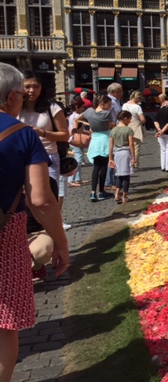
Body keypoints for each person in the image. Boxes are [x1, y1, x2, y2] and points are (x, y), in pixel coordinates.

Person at [0, 63, 69, 382]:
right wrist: (61, 242)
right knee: (4, 327)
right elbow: (40, 200)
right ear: (13, 96)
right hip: (6, 236)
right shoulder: (22, 135)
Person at [18, 71, 70, 227]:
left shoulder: (51, 107)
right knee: (25, 202)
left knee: (47, 201)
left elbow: (64, 135)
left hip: (47, 158)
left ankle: (52, 235)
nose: (31, 90)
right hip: (21, 159)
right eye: (27, 87)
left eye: (36, 86)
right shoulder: (14, 107)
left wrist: (43, 133)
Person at [76, 94, 115, 201]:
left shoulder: (89, 111)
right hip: (105, 139)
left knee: (96, 168)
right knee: (103, 167)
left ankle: (93, 192)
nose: (110, 107)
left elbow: (77, 119)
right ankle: (101, 191)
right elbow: (111, 126)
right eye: (109, 105)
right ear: (103, 104)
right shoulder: (107, 114)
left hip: (95, 140)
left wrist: (82, 126)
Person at [108, 111, 135, 203]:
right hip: (126, 152)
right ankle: (124, 196)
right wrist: (133, 157)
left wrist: (110, 158)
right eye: (130, 119)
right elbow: (131, 144)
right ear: (125, 118)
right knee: (126, 176)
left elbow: (111, 145)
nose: (130, 121)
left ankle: (116, 194)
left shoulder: (113, 130)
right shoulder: (128, 130)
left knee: (119, 175)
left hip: (117, 154)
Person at [121, 91, 146, 168]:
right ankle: (135, 163)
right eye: (140, 98)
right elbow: (143, 119)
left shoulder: (124, 105)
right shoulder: (137, 107)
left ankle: (127, 162)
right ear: (137, 98)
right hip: (136, 127)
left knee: (127, 145)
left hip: (126, 126)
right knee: (136, 146)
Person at [105, 83, 123, 189]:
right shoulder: (110, 101)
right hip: (113, 130)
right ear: (113, 92)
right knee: (112, 155)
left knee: (116, 155)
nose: (121, 93)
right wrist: (111, 125)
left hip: (117, 130)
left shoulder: (116, 101)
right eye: (119, 91)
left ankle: (115, 179)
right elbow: (106, 115)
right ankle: (110, 181)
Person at [67, 98, 87, 187]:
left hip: (74, 138)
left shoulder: (73, 115)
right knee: (78, 159)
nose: (83, 108)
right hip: (76, 138)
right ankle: (71, 179)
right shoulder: (76, 117)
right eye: (82, 107)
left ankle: (77, 178)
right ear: (77, 107)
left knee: (79, 157)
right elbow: (78, 129)